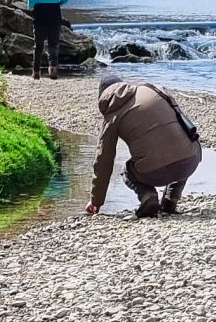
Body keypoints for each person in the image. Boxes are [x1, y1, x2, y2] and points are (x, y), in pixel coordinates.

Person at [84, 76, 202, 218]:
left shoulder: (112, 115)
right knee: (182, 147)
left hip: (153, 172)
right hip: (190, 162)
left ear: (102, 96)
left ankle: (148, 196)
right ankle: (171, 198)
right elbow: (185, 126)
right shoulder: (152, 89)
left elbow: (104, 160)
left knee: (126, 171)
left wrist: (95, 200)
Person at [25, 0, 71, 79]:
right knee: (53, 43)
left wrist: (31, 6)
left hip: (39, 12)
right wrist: (58, 3)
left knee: (38, 44)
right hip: (54, 11)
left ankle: (36, 71)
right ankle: (53, 69)